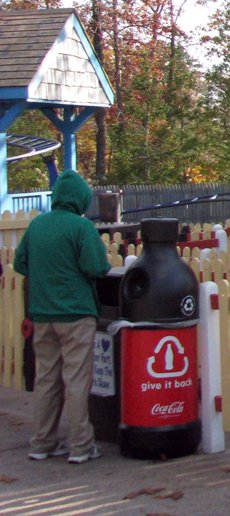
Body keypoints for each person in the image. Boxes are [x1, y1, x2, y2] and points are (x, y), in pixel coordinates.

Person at [14, 169, 110, 464]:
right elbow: (96, 267)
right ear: (81, 199)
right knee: (77, 380)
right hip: (76, 314)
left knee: (46, 379)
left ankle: (42, 443)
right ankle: (80, 446)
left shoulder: (37, 226)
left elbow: (21, 263)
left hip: (43, 314)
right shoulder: (81, 228)